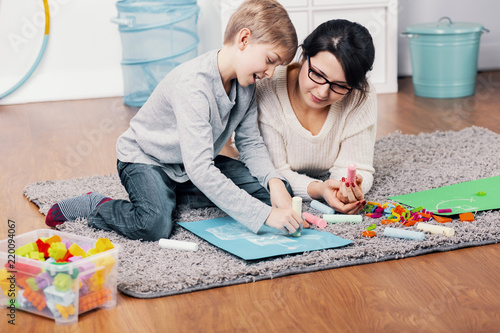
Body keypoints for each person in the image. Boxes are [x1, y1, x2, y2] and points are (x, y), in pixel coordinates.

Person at [44, 0, 302, 240]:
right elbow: (201, 168)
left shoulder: (247, 87)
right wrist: (264, 216)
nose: (270, 73)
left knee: (272, 193)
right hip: (147, 160)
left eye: (277, 66)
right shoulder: (193, 85)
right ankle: (97, 205)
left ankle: (171, 196)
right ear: (244, 39)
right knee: (154, 224)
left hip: (188, 166)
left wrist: (274, 181)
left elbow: (250, 143)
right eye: (270, 61)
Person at [255, 19, 377, 215]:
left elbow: (358, 166)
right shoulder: (267, 86)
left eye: (340, 85)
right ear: (304, 55)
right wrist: (320, 189)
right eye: (317, 74)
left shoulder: (359, 95)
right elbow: (274, 173)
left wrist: (346, 189)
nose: (322, 92)